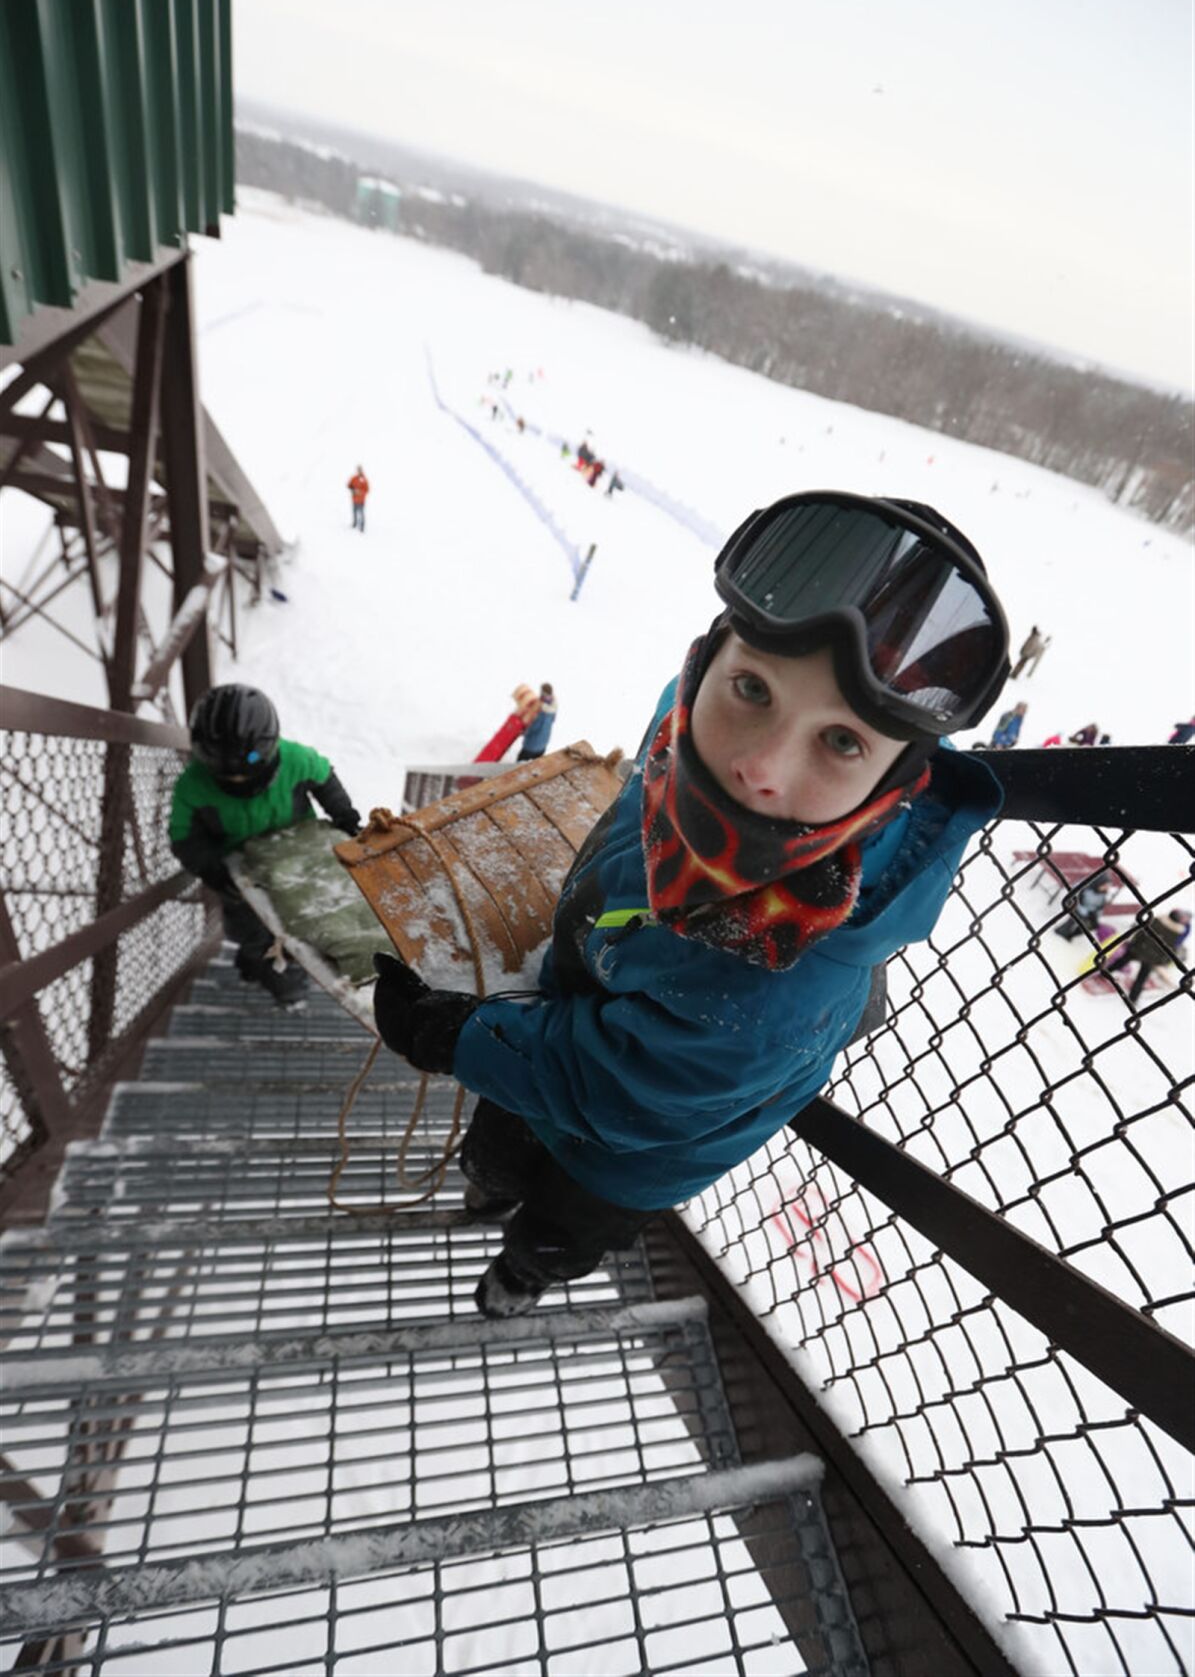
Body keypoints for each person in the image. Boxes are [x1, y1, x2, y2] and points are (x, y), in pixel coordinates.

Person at [371, 491, 1010, 1318]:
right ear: (707, 661)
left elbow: (605, 1088)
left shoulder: (772, 984)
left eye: (841, 740)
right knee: (499, 1146)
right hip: (570, 1003)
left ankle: (522, 1273)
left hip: (629, 1154)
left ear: (891, 784)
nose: (760, 767)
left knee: (564, 1224)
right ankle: (490, 1195)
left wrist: (443, 1032)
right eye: (753, 687)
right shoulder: (686, 727)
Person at [170, 685, 362, 1005]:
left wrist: (345, 816)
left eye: (247, 768)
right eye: (224, 772)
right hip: (241, 871)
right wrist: (213, 871)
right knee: (251, 931)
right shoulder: (193, 786)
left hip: (298, 856)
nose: (237, 780)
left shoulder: (295, 760)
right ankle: (274, 976)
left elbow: (325, 778)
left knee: (306, 920)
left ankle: (291, 976)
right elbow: (183, 837)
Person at [1101, 909, 1190, 1007]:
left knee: (1122, 961)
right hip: (1152, 957)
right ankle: (1132, 999)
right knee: (1141, 978)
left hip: (1139, 948)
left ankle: (1106, 973)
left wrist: (1133, 944)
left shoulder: (1156, 920)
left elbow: (1141, 933)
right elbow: (1171, 948)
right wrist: (1164, 961)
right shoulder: (1177, 933)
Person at [1056, 876, 1116, 941]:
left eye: (1108, 886)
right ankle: (1061, 931)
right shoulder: (1087, 888)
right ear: (1100, 883)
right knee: (1075, 918)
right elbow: (1075, 896)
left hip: (1089, 913)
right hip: (1077, 907)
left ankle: (1072, 934)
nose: (1106, 888)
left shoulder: (1103, 896)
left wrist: (1095, 917)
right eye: (1105, 885)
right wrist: (1084, 911)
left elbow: (1099, 908)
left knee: (1091, 925)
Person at [517, 684, 558, 760]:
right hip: (543, 744)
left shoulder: (542, 712)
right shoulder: (553, 708)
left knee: (520, 762)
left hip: (532, 745)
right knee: (536, 764)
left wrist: (524, 732)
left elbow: (533, 727)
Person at [347, 466, 369, 531]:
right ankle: (355, 523)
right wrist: (353, 489)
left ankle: (362, 526)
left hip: (361, 500)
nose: (359, 471)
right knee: (354, 512)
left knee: (361, 513)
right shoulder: (354, 478)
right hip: (354, 499)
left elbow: (367, 490)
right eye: (358, 470)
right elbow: (349, 485)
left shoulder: (364, 480)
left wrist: (360, 492)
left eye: (360, 470)